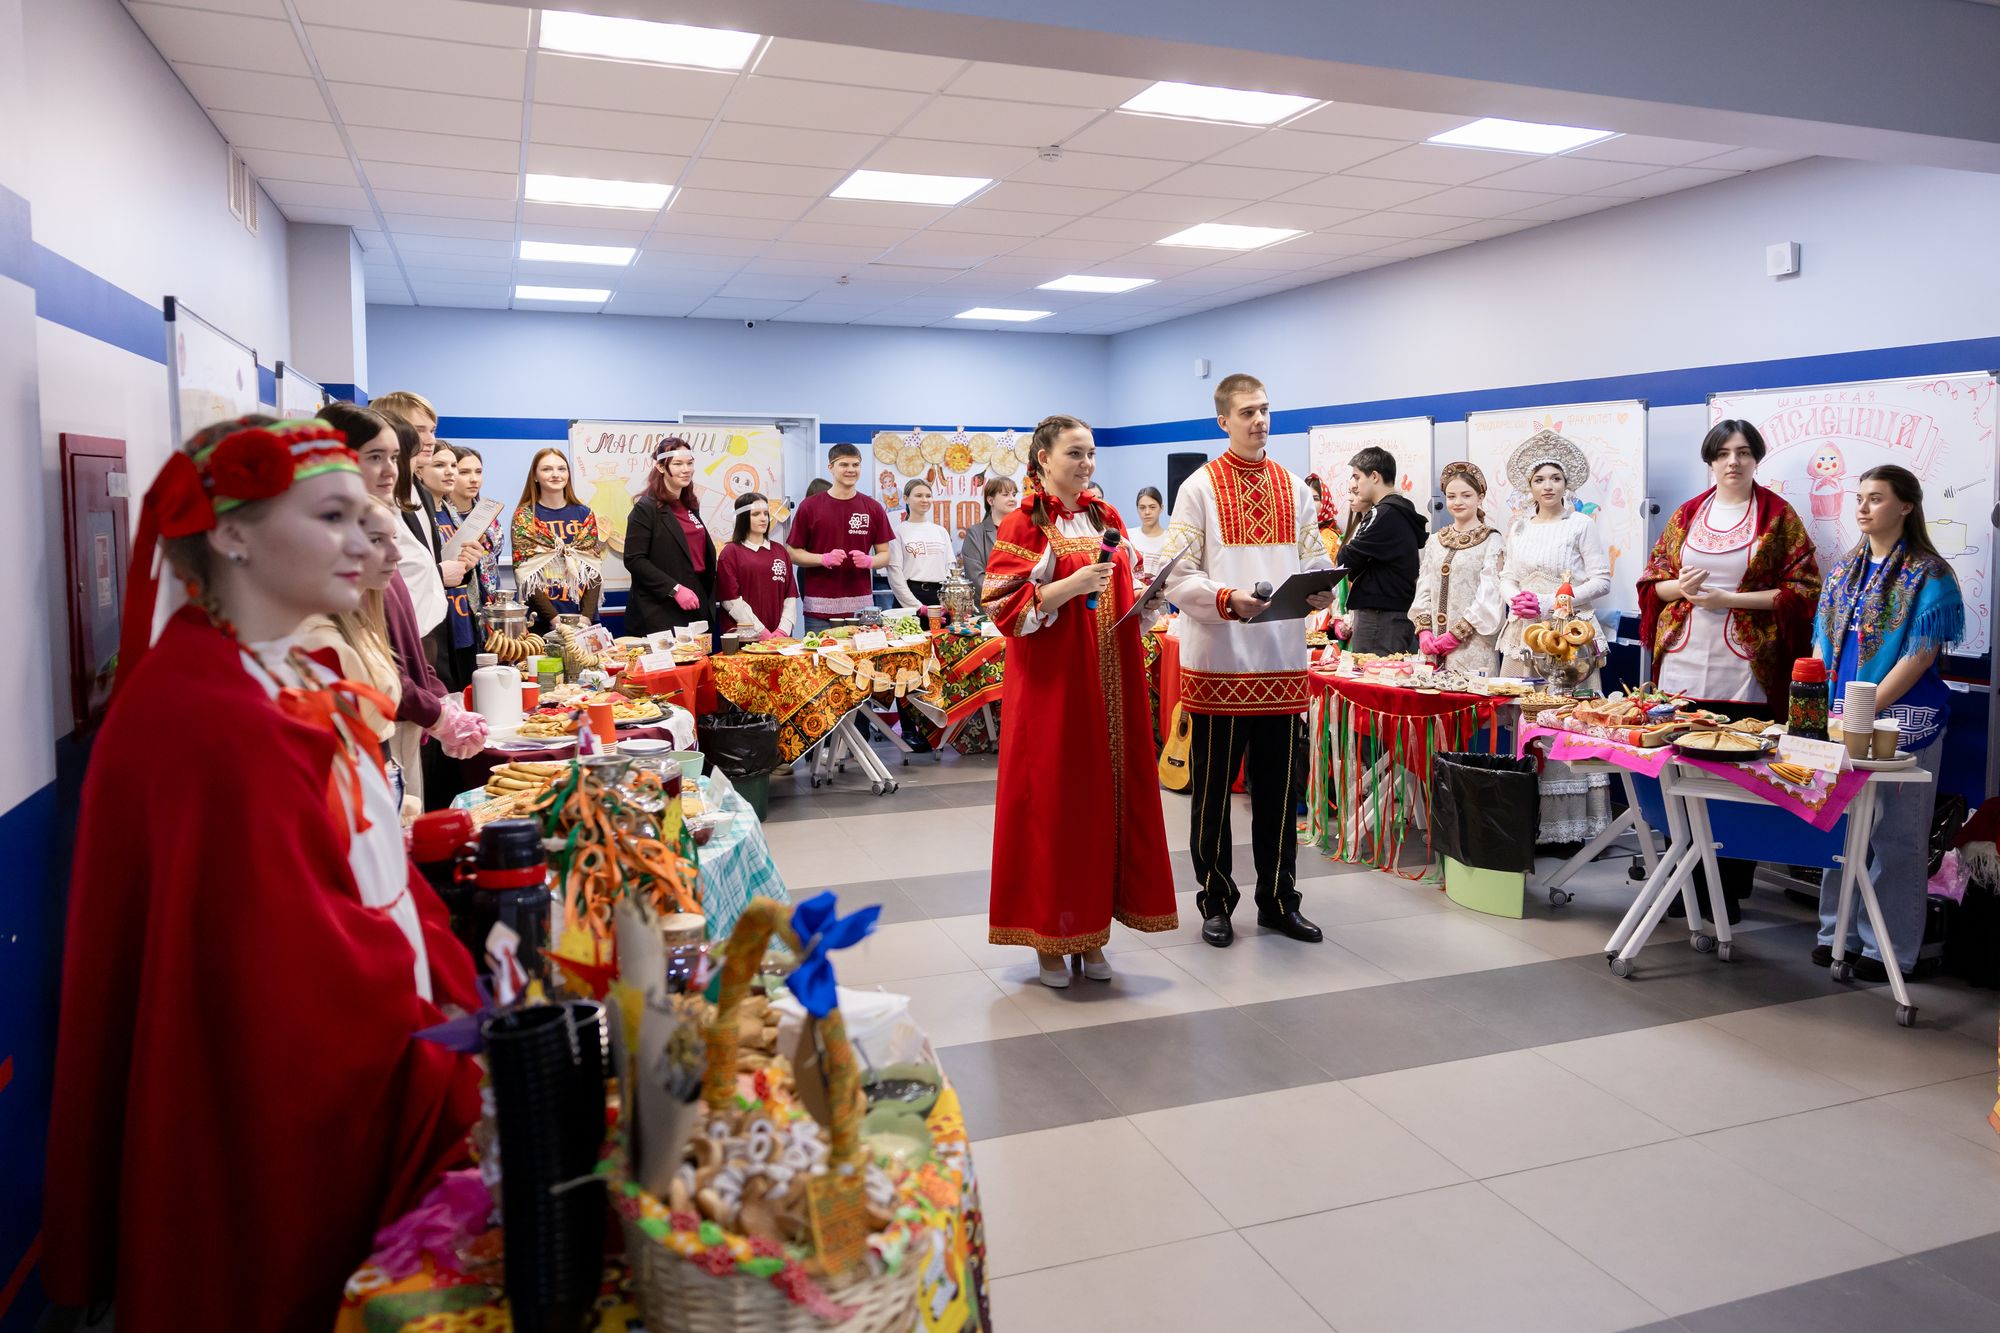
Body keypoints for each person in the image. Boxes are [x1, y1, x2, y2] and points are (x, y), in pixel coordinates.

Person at [45, 416, 482, 1332]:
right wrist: (437, 1033)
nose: (368, 540)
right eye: (333, 515)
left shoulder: (288, 668)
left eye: (367, 515)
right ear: (232, 534)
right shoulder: (212, 715)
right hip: (303, 1101)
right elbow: (281, 980)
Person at [982, 415, 1178, 987]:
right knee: (1054, 803)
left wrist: (1145, 597)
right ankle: (1048, 936)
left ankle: (1092, 933)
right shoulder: (1023, 522)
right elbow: (1002, 607)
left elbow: (1126, 587)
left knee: (1103, 802)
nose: (1086, 463)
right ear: (1043, 458)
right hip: (1054, 685)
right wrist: (1070, 586)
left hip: (1112, 681)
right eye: (1074, 453)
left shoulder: (1105, 516)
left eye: (1090, 452)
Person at [1162, 373, 1335, 948]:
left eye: (1264, 410)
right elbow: (1175, 576)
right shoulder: (1198, 488)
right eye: (1247, 412)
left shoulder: (1295, 487)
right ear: (1224, 421)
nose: (1259, 420)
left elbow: (1313, 558)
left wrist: (1321, 589)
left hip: (1282, 662)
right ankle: (1215, 902)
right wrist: (1225, 598)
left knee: (1281, 795)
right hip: (1219, 664)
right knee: (1212, 795)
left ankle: (1280, 901)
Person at [1638, 421, 1821, 923]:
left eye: (1742, 452)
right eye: (1722, 453)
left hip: (1747, 668)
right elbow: (1653, 584)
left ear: (1756, 458)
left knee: (1739, 778)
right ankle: (1683, 884)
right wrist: (1681, 589)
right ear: (1711, 460)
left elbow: (1804, 590)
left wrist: (1730, 599)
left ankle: (1729, 892)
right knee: (1679, 769)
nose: (1732, 462)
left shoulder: (1778, 516)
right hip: (1681, 661)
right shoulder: (1687, 514)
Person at [1814, 465, 1962, 979]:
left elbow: (1919, 656)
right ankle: (1837, 934)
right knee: (1840, 828)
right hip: (1840, 716)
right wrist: (1824, 703)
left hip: (1903, 719)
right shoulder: (1843, 571)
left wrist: (1867, 706)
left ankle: (1888, 950)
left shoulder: (1930, 573)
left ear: (1906, 506)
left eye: (1875, 498)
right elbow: (1822, 643)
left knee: (1898, 838)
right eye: (1859, 497)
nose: (1862, 507)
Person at [320, 402, 486, 813]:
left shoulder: (384, 515)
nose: (391, 470)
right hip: (373, 723)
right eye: (375, 457)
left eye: (395, 457)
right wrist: (434, 711)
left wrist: (436, 697)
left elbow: (404, 634)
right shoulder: (336, 552)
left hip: (406, 702)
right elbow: (373, 661)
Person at [1498, 433, 1615, 848]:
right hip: (1524, 636)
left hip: (1569, 640)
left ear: (1567, 484)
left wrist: (1551, 601)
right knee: (1526, 724)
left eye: (1555, 479)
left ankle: (1571, 830)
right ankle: (1526, 823)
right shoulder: (1518, 526)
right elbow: (1507, 576)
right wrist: (1516, 599)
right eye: (1539, 480)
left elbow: (1601, 580)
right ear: (1528, 487)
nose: (1547, 486)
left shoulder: (1581, 524)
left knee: (1566, 724)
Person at [297, 499, 404, 753]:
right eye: (376, 540)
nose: (396, 554)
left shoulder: (358, 624)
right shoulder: (320, 640)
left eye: (393, 538)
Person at [1407, 461, 1506, 673]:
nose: (1458, 502)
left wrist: (1455, 635)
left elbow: (1490, 596)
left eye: (1466, 495)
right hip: (1433, 647)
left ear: (1480, 497)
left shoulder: (1492, 540)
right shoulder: (1435, 540)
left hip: (1474, 647)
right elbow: (1424, 587)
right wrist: (1424, 630)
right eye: (1451, 496)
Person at [789, 442, 893, 630]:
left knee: (862, 650)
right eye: (844, 464)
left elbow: (885, 554)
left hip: (862, 611)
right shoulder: (809, 506)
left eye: (855, 465)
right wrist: (822, 559)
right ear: (830, 467)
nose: (851, 470)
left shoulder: (873, 508)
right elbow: (793, 552)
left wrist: (870, 561)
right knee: (819, 651)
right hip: (819, 610)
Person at [1333, 446, 1425, 654]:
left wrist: (1357, 560)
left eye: (1357, 477)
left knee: (1371, 672)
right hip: (1392, 615)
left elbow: (1345, 560)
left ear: (1374, 476)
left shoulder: (1382, 513)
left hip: (1378, 617)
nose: (1355, 485)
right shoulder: (1400, 510)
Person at [622, 437, 715, 636]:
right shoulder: (646, 508)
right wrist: (675, 589)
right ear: (661, 467)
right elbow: (634, 559)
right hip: (660, 610)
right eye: (678, 464)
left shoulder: (690, 505)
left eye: (690, 463)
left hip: (695, 605)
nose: (686, 470)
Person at [511, 446, 603, 627]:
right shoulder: (525, 517)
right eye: (547, 469)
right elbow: (524, 572)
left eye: (561, 469)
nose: (556, 474)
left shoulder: (585, 514)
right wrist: (554, 619)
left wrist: (586, 617)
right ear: (535, 476)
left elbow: (593, 568)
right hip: (541, 618)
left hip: (583, 617)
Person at [420, 442, 478, 688]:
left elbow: (458, 572)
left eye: (454, 465)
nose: (450, 472)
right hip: (435, 626)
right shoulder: (417, 515)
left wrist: (470, 563)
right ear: (419, 470)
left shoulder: (450, 513)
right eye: (439, 465)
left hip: (462, 620)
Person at [716, 492, 799, 638]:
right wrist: (760, 631)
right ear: (742, 517)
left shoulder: (780, 551)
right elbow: (730, 600)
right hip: (744, 638)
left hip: (779, 638)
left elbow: (790, 596)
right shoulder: (730, 553)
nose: (763, 518)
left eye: (766, 513)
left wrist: (783, 630)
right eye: (756, 514)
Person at [888, 478, 955, 608]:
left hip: (939, 598)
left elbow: (950, 569)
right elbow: (895, 575)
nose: (924, 500)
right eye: (918, 495)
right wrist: (917, 607)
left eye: (928, 496)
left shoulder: (941, 531)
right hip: (908, 598)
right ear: (906, 498)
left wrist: (945, 602)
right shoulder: (898, 532)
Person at [448, 443, 503, 597]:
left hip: (489, 601)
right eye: (464, 472)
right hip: (454, 599)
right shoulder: (441, 518)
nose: (474, 479)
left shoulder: (491, 519)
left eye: (478, 472)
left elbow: (494, 563)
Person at [958, 475, 1019, 595]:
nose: (1012, 499)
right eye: (1006, 494)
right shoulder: (975, 533)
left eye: (1014, 494)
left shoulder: (1023, 530)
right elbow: (976, 578)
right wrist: (1010, 596)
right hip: (990, 602)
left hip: (1023, 602)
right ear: (990, 501)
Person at [1129, 485, 1170, 573]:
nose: (1147, 512)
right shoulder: (1129, 536)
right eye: (1142, 508)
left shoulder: (1170, 540)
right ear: (1137, 509)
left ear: (1161, 508)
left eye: (1152, 507)